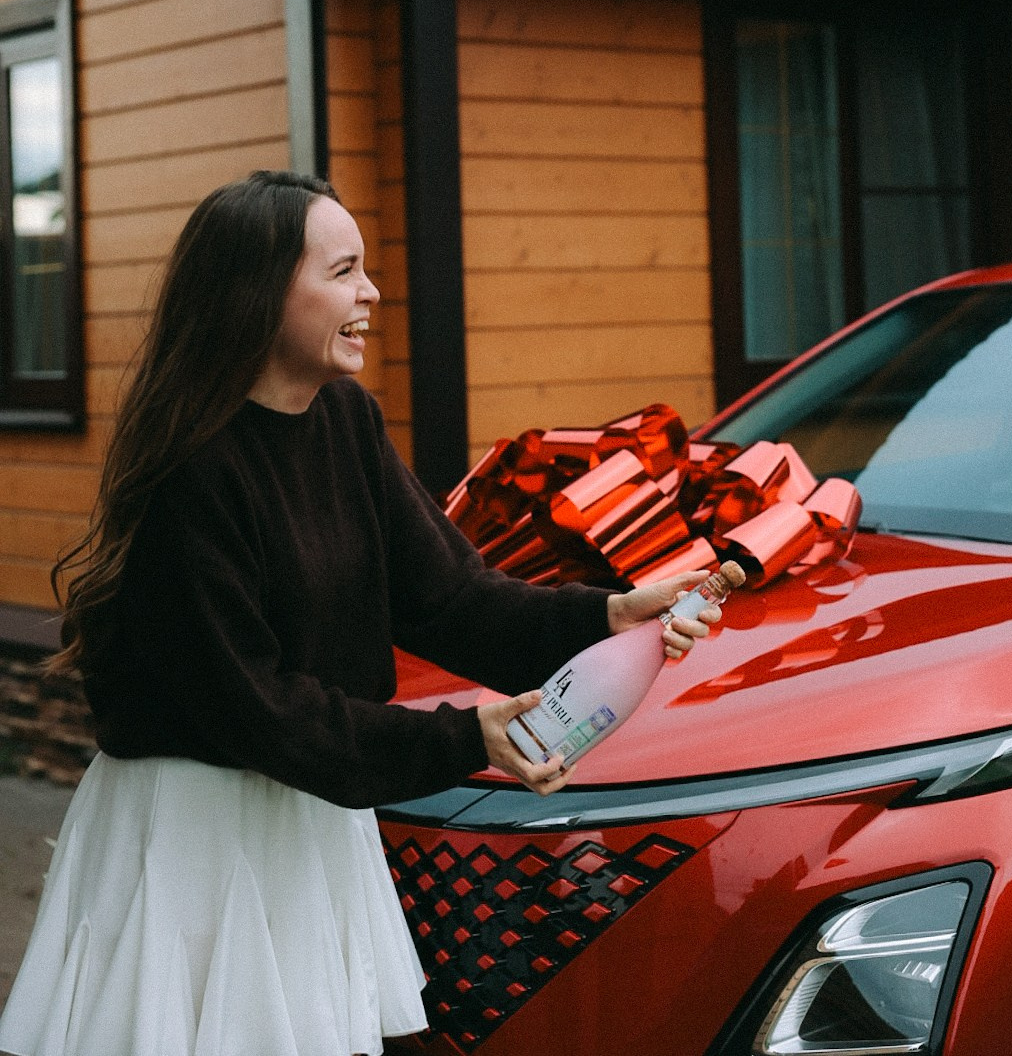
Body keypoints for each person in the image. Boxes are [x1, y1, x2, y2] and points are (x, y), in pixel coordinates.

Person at [0, 171, 718, 1056]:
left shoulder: (345, 418)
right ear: (260, 294)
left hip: (308, 811)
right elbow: (260, 710)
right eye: (343, 271)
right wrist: (464, 737)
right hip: (196, 837)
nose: (371, 293)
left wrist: (607, 615)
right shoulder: (192, 473)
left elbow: (450, 598)